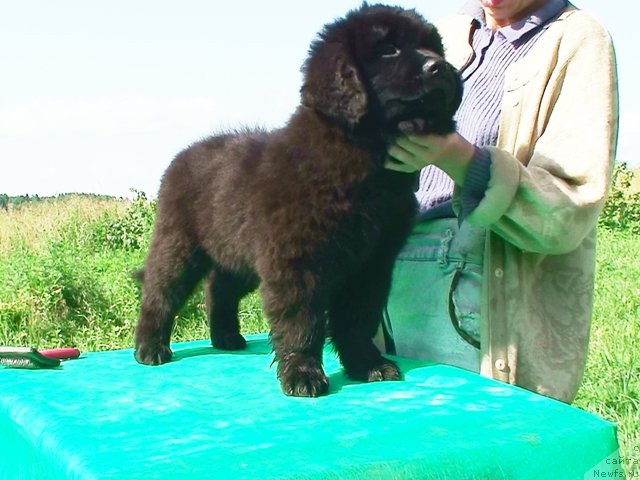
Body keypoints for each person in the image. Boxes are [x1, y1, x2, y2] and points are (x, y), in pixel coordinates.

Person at [380, 0, 619, 403]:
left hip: (474, 277)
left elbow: (569, 205)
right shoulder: (446, 33)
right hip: (390, 276)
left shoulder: (577, 38)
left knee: (461, 449)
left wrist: (459, 158)